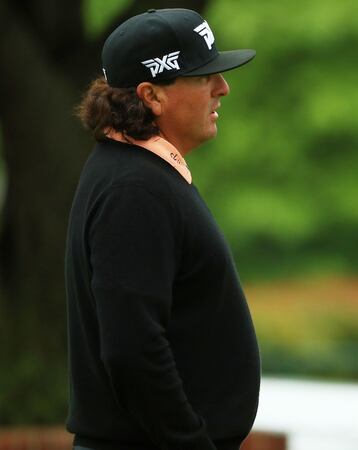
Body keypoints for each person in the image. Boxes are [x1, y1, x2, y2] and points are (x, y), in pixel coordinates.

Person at [66, 8, 260, 450]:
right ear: (151, 96)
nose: (222, 88)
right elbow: (133, 350)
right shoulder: (134, 189)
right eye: (203, 77)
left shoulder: (135, 174)